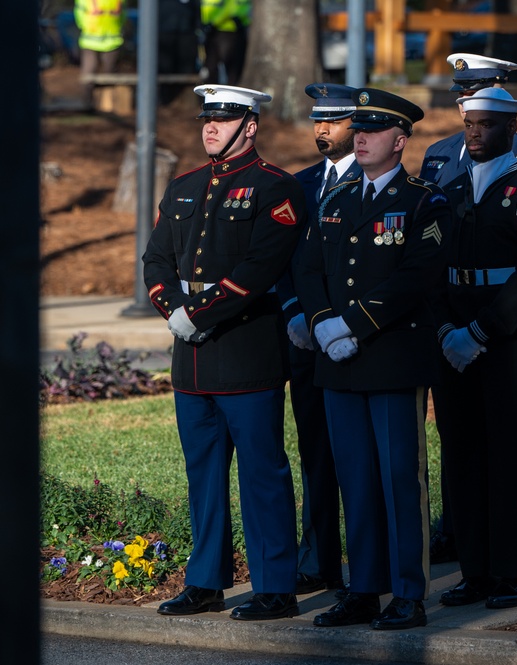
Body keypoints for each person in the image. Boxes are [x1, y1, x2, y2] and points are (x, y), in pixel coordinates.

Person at [144, 84, 306, 621]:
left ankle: (275, 586)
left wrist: (199, 314)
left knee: (262, 474)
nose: (210, 127)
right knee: (203, 476)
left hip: (245, 355)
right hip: (190, 362)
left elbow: (260, 269)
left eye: (224, 119)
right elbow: (156, 261)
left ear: (250, 126)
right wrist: (171, 310)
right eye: (206, 120)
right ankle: (205, 581)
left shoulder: (274, 188)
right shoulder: (185, 186)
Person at [294, 87, 452, 630]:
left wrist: (353, 323)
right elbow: (307, 269)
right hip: (338, 362)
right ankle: (363, 587)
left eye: (373, 130)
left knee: (398, 478)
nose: (359, 138)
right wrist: (321, 324)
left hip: (391, 358)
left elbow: (417, 277)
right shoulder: (336, 201)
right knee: (355, 478)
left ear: (400, 140)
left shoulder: (424, 201)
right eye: (356, 129)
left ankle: (408, 592)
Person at [418, 52, 517, 565]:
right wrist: (449, 327)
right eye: (468, 124)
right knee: (462, 448)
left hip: (510, 334)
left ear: (511, 125)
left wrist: (479, 330)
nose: (473, 134)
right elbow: (431, 266)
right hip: (454, 335)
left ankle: (515, 569)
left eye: (487, 124)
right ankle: (474, 567)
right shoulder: (448, 190)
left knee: (509, 448)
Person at [279, 83, 361, 597]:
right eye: (317, 121)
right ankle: (319, 558)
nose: (322, 130)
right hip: (305, 339)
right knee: (314, 451)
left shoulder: (378, 182)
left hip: (356, 339)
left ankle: (371, 561)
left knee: (359, 455)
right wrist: (294, 313)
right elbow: (282, 259)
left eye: (333, 121)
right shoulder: (300, 185)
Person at [419, 53, 517, 188]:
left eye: (473, 95)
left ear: (499, 94)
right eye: (461, 95)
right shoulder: (438, 151)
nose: (463, 103)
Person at [74, 0, 125, 110]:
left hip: (111, 41)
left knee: (107, 73)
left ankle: (108, 104)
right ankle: (88, 104)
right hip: (93, 41)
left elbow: (122, 15)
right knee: (89, 74)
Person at [201, 0, 251, 85]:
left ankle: (230, 94)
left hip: (229, 30)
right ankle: (211, 93)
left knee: (231, 68)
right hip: (211, 31)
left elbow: (230, 9)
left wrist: (214, 23)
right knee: (211, 68)